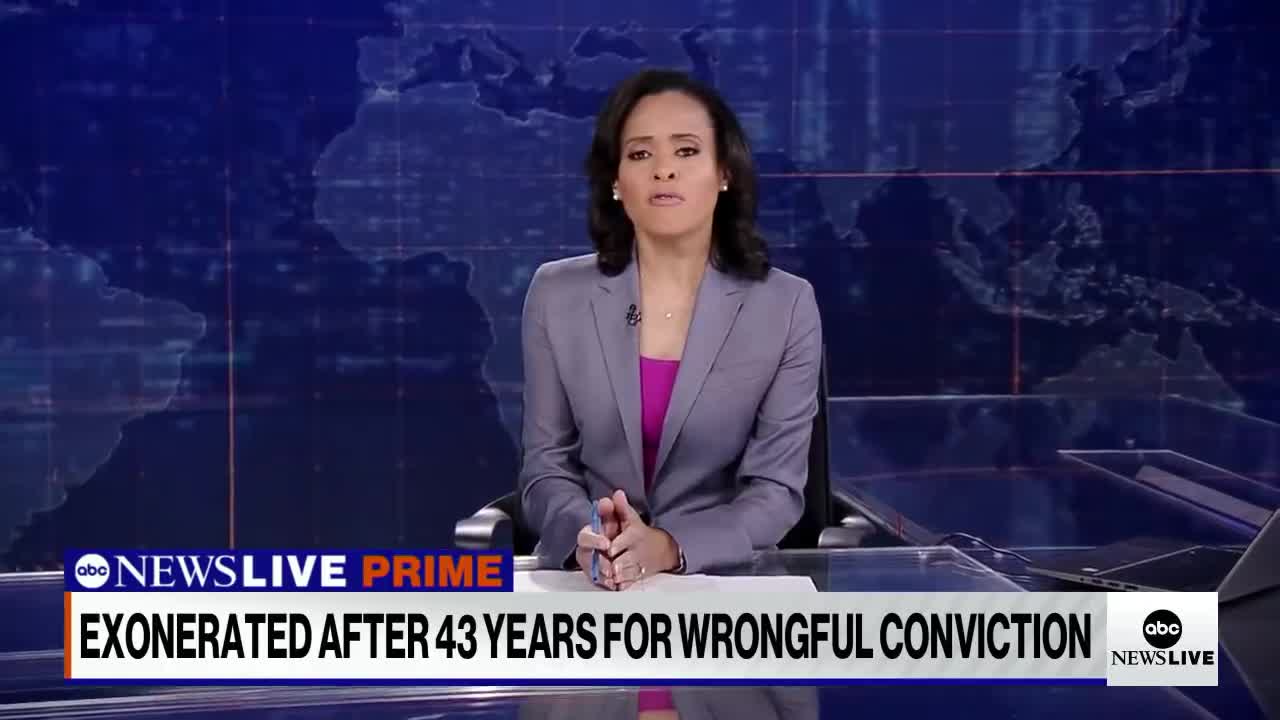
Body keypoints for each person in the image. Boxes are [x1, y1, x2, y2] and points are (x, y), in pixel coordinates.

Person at [517, 67, 823, 589]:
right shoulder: (556, 294)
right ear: (616, 182)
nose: (663, 170)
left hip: (720, 586)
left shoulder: (786, 306)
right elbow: (546, 466)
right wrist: (584, 535)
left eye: (686, 151)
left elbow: (775, 492)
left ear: (724, 172)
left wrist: (670, 545)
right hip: (591, 583)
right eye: (640, 155)